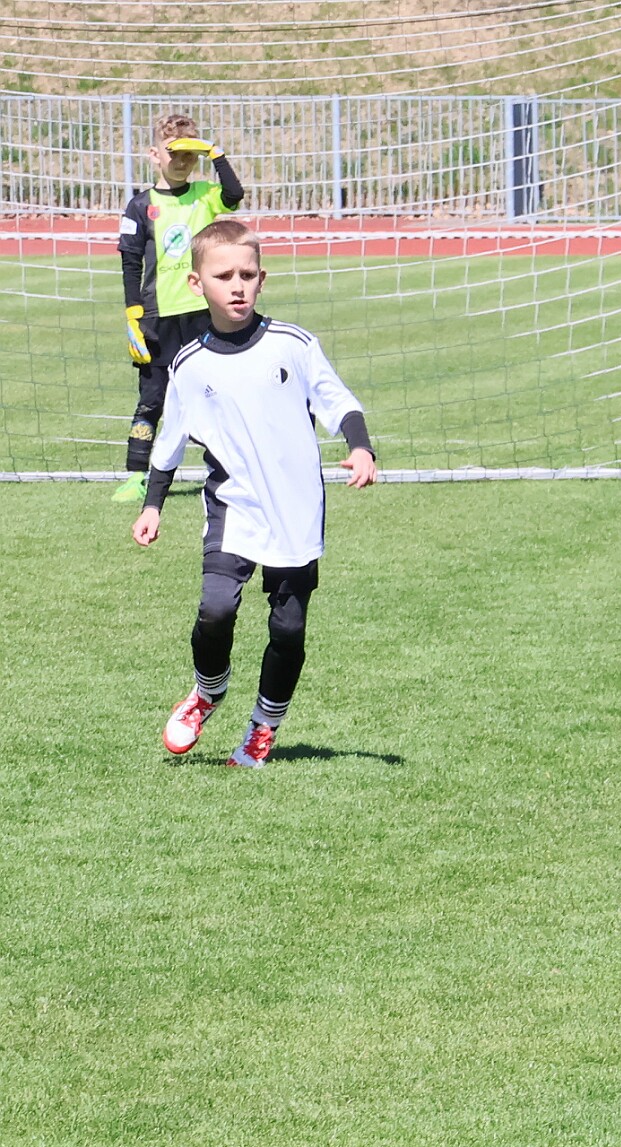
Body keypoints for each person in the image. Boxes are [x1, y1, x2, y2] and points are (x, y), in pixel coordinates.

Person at [133, 219, 378, 767]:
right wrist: (153, 505)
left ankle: (263, 727)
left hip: (295, 509)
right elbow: (169, 442)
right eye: (223, 276)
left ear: (262, 279)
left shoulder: (293, 345)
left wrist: (361, 447)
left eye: (247, 274)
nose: (237, 286)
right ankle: (208, 691)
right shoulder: (190, 365)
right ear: (197, 284)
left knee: (288, 627)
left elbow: (339, 400)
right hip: (233, 505)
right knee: (216, 609)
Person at [115, 113, 245, 502]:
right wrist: (133, 315)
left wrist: (216, 153)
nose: (183, 161)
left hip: (203, 313)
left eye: (191, 154)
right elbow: (130, 264)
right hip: (157, 317)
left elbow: (234, 194)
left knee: (217, 390)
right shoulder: (140, 206)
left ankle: (230, 467)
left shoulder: (204, 194)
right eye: (175, 153)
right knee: (152, 398)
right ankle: (136, 475)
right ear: (154, 154)